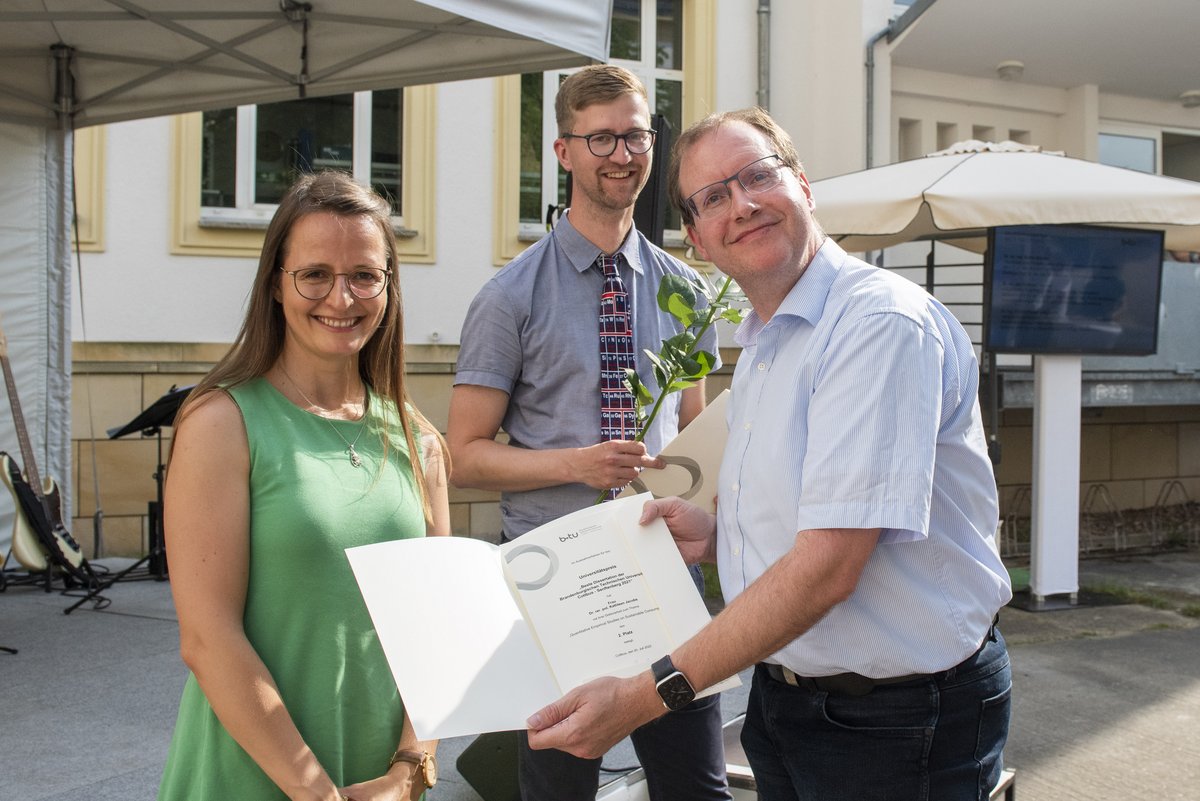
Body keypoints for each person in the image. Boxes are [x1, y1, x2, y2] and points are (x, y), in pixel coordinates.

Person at [526, 107, 1014, 801]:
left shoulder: (876, 325)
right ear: (697, 237)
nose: (744, 204)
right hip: (790, 699)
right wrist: (723, 532)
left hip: (898, 719)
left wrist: (644, 695)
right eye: (715, 196)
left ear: (804, 186)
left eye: (758, 175)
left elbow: (828, 566)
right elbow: (821, 510)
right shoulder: (766, 338)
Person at [447, 65, 730, 801]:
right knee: (559, 790)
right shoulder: (509, 297)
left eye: (635, 134)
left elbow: (695, 430)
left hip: (665, 573)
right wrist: (581, 462)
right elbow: (463, 455)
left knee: (696, 788)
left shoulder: (688, 291)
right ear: (564, 151)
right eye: (600, 136)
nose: (622, 152)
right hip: (557, 583)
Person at [158, 171, 449, 801]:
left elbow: (436, 629)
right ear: (275, 286)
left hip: (382, 781)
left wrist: (410, 769)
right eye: (315, 274)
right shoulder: (222, 423)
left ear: (388, 287)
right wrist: (315, 792)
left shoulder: (416, 438)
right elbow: (208, 639)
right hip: (253, 774)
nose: (341, 298)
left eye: (364, 275)